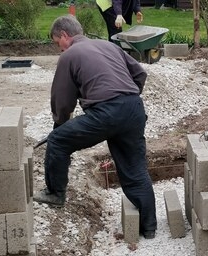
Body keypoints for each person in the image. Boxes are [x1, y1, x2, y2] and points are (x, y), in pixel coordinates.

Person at [35, 15, 157, 239]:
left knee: (57, 141)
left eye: (56, 42)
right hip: (134, 109)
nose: (58, 48)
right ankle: (149, 227)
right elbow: (140, 74)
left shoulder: (69, 55)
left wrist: (59, 127)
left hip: (107, 112)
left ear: (65, 35)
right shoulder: (108, 45)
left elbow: (62, 101)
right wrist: (127, 101)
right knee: (135, 167)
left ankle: (55, 193)